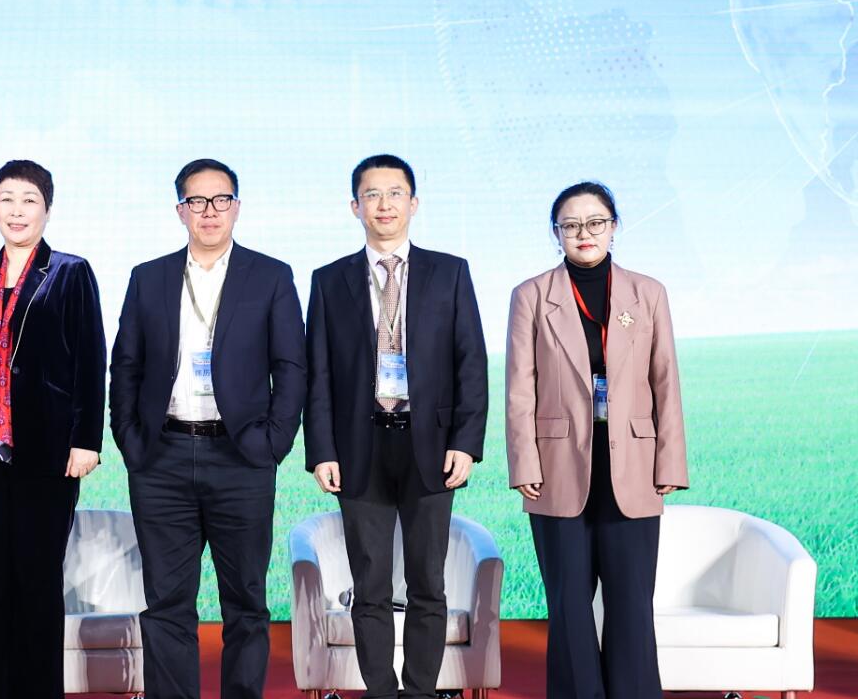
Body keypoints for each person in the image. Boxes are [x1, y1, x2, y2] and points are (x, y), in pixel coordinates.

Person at [109, 158, 306, 699]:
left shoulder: (270, 276)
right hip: (162, 457)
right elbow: (125, 365)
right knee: (167, 603)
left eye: (221, 200)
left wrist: (272, 443)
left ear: (236, 207)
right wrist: (131, 440)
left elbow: (291, 367)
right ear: (181, 211)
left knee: (245, 601)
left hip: (241, 458)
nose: (210, 211)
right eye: (197, 201)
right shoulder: (148, 277)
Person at [305, 154, 489, 699]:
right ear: (354, 206)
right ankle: (382, 692)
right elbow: (318, 373)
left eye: (394, 193)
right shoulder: (329, 280)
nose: (383, 204)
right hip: (358, 448)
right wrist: (322, 450)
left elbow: (470, 363)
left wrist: (466, 443)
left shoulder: (449, 272)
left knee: (428, 582)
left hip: (431, 445)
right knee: (370, 585)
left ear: (414, 202)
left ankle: (421, 693)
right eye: (371, 194)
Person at [505, 181, 688, 699]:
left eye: (595, 222)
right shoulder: (531, 295)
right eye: (571, 225)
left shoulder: (648, 293)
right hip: (557, 467)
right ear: (556, 232)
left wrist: (670, 463)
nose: (583, 233)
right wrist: (524, 463)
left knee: (632, 603)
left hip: (634, 464)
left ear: (614, 226)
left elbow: (665, 380)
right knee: (568, 605)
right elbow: (520, 387)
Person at [0, 160, 106, 699]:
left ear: (47, 210)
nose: (16, 210)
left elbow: (90, 359)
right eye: (6, 199)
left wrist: (87, 439)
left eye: (29, 200)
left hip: (47, 452)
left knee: (37, 580)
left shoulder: (70, 272)